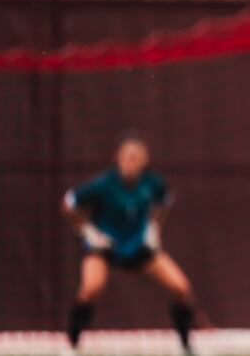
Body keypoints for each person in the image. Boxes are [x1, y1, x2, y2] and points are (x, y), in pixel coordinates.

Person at [62, 131, 196, 354]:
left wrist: (153, 228)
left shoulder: (152, 183)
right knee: (90, 289)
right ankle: (72, 346)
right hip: (106, 247)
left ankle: (186, 345)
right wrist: (87, 231)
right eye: (127, 156)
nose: (131, 161)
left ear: (145, 160)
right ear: (117, 157)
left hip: (138, 246)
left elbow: (165, 202)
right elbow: (69, 203)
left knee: (181, 287)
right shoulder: (103, 184)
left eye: (136, 157)